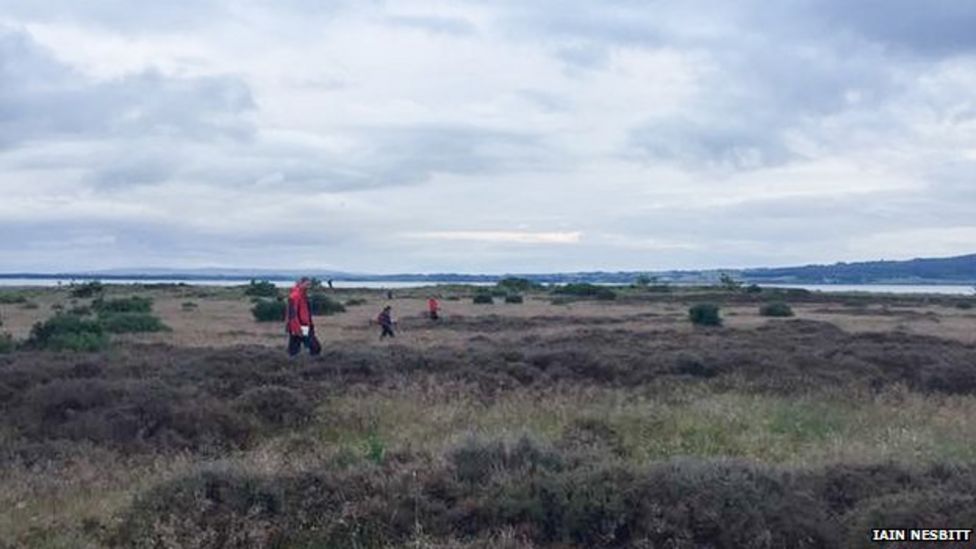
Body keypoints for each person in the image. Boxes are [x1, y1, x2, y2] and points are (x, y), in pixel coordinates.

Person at [286, 277, 321, 356]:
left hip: (304, 325)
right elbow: (292, 314)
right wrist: (296, 328)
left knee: (294, 350)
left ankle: (296, 365)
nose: (308, 286)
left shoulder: (303, 295)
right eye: (307, 284)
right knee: (315, 347)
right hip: (300, 326)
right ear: (301, 283)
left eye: (309, 284)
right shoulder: (295, 296)